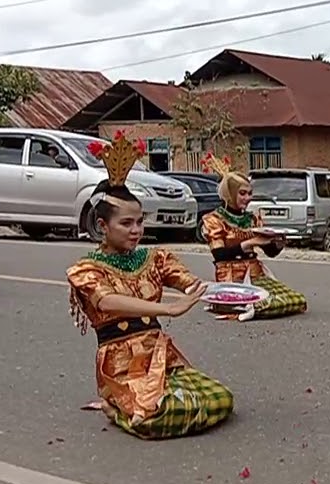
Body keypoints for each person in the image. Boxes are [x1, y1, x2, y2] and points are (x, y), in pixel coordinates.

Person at [66, 133, 233, 440]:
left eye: (139, 222)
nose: (136, 230)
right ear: (103, 226)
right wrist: (168, 308)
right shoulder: (86, 269)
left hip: (160, 354)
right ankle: (114, 405)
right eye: (126, 223)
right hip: (121, 362)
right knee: (155, 417)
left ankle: (125, 406)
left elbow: (187, 282)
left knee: (219, 400)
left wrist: (221, 294)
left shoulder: (154, 258)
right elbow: (108, 302)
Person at [198, 154, 307, 322]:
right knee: (264, 303)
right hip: (232, 276)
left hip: (256, 273)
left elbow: (269, 252)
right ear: (230, 193)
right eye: (242, 193)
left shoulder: (252, 219)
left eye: (250, 193)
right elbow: (219, 255)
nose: (248, 198)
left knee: (296, 301)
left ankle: (247, 306)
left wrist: (277, 244)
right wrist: (249, 244)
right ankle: (238, 305)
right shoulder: (214, 220)